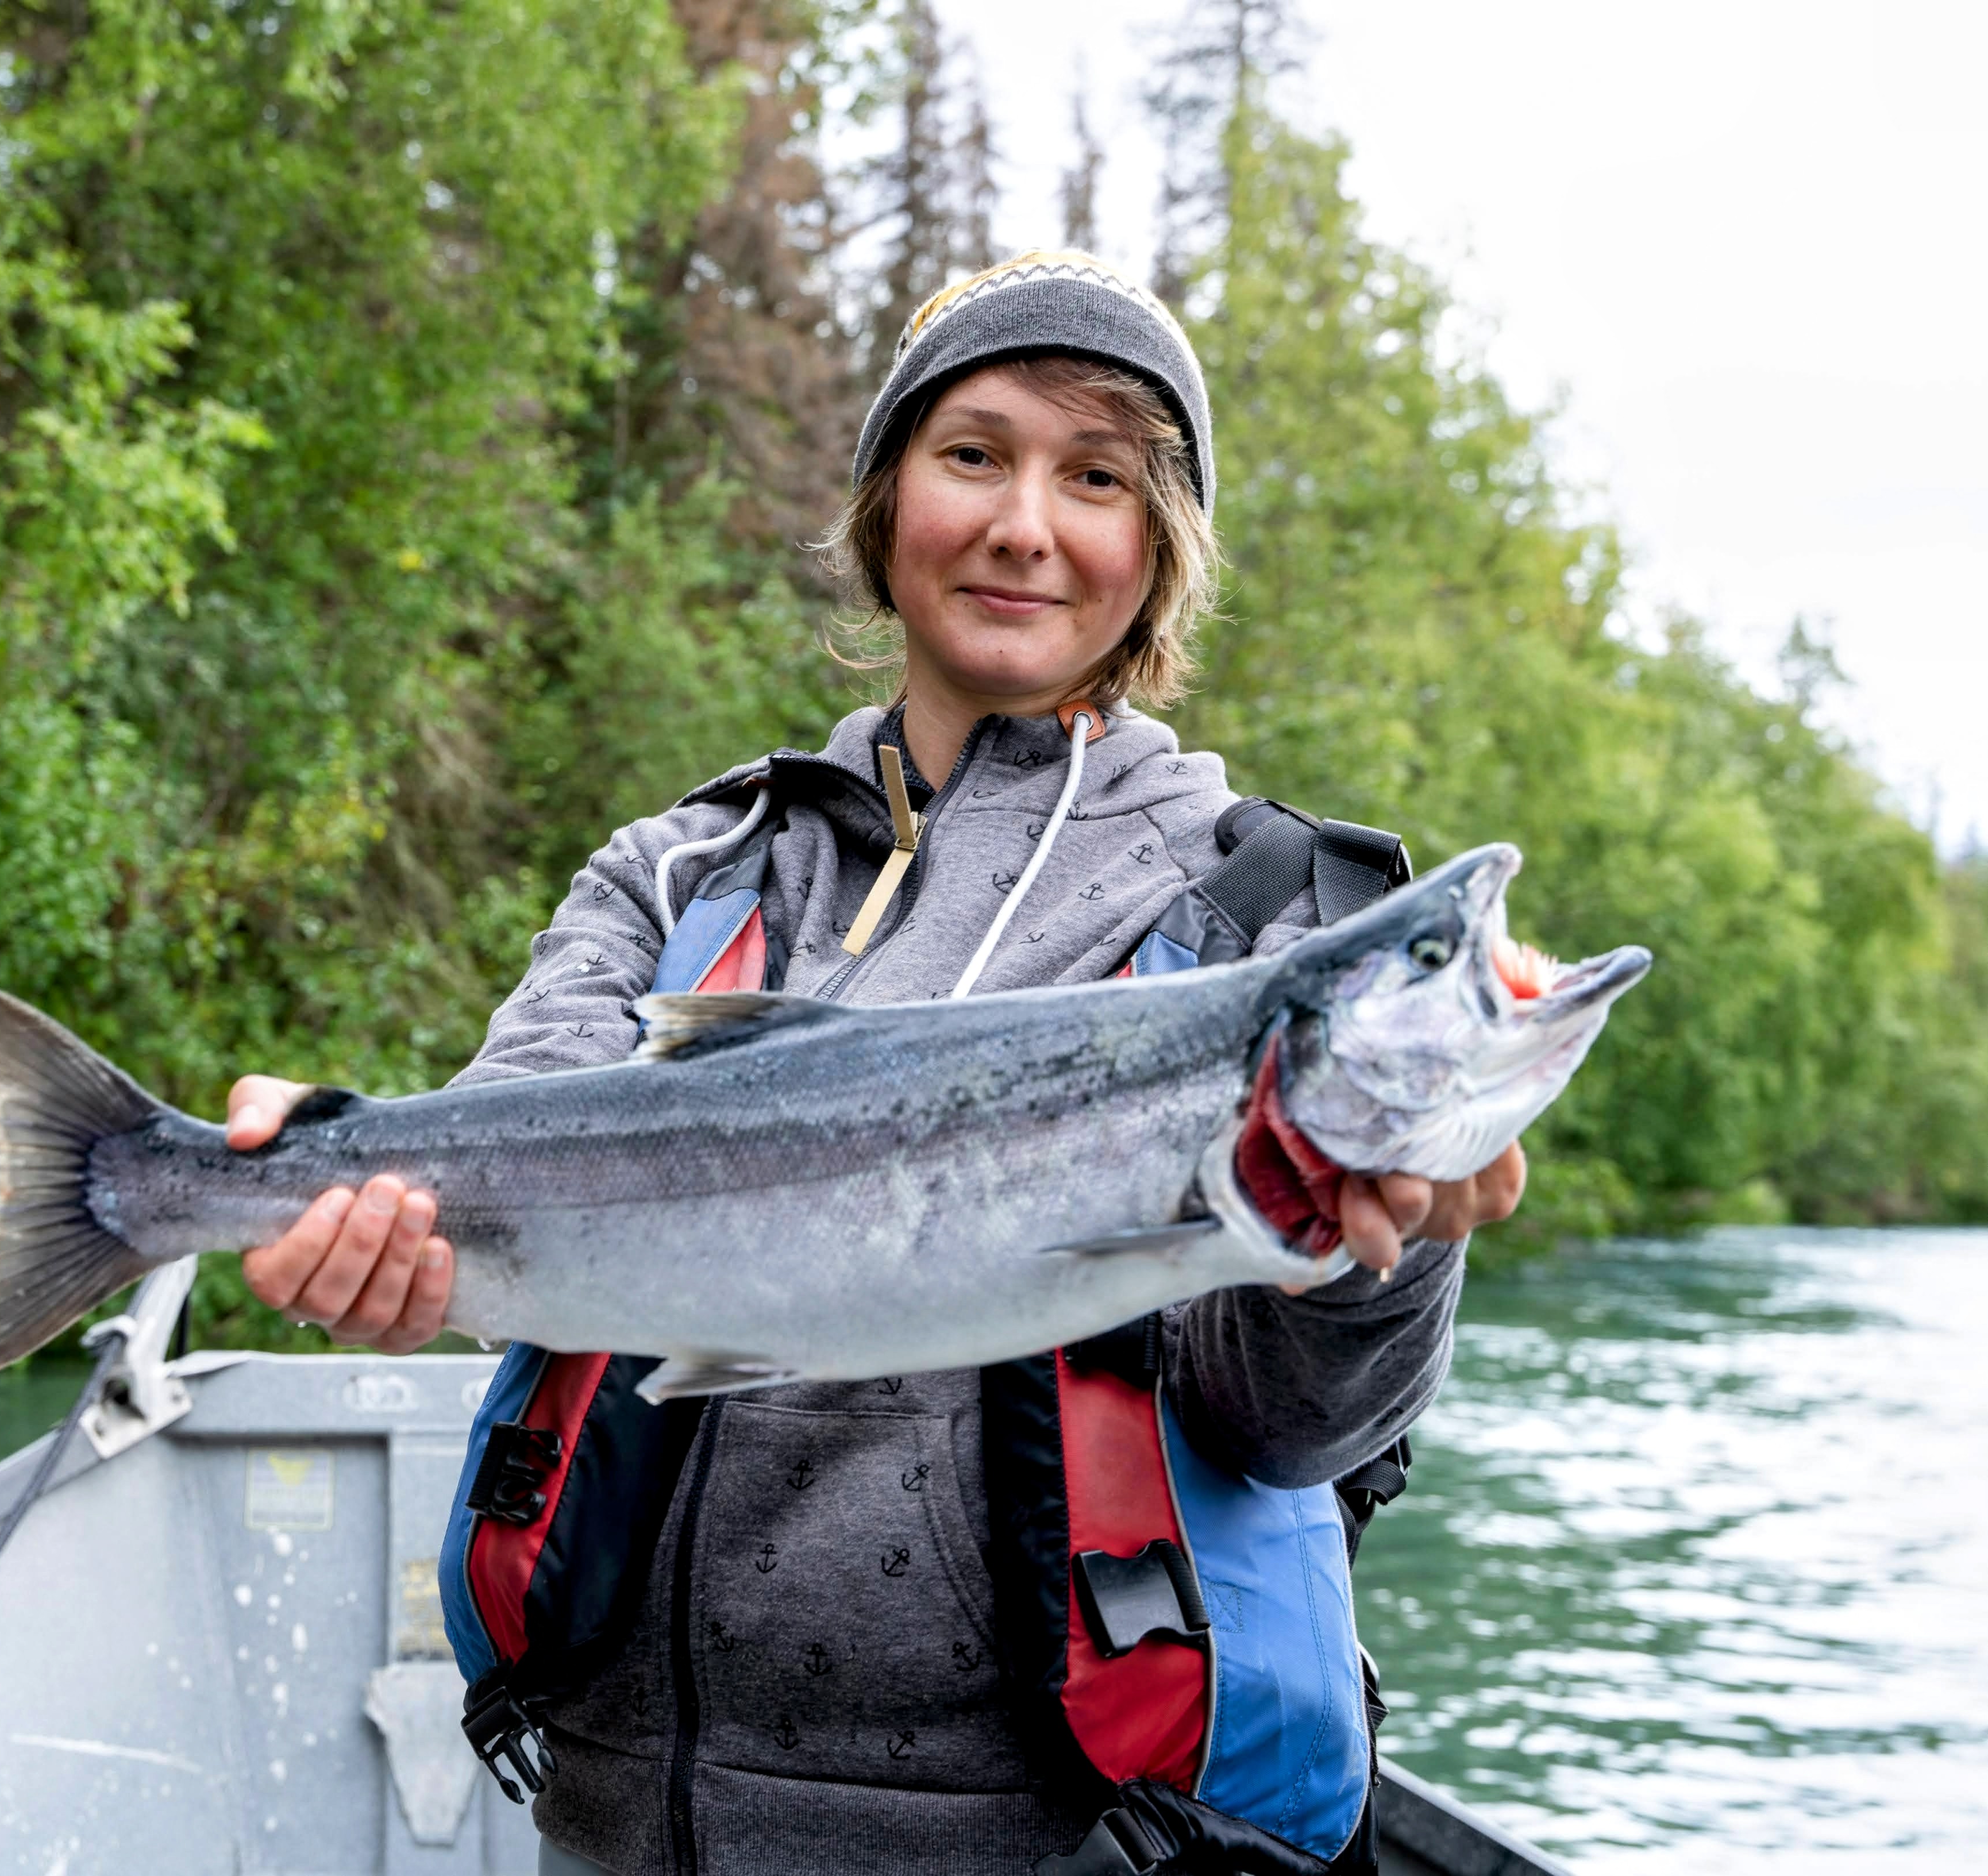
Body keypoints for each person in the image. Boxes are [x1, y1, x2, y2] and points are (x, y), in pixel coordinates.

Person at [225, 251, 1525, 1875]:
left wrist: (1379, 1257)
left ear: (1158, 547)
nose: (1022, 525)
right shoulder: (686, 868)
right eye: (971, 453)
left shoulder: (1271, 920)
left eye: (1096, 477)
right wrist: (340, 1193)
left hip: (1059, 1843)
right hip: (627, 1816)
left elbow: (1292, 1430)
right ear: (883, 496)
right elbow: (499, 1153)